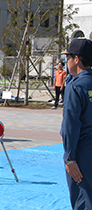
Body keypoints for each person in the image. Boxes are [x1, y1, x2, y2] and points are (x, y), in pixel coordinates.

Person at [60, 38, 92, 210]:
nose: (67, 62)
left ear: (77, 59)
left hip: (83, 151)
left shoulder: (76, 86)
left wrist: (70, 158)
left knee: (83, 199)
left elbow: (70, 126)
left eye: (68, 58)